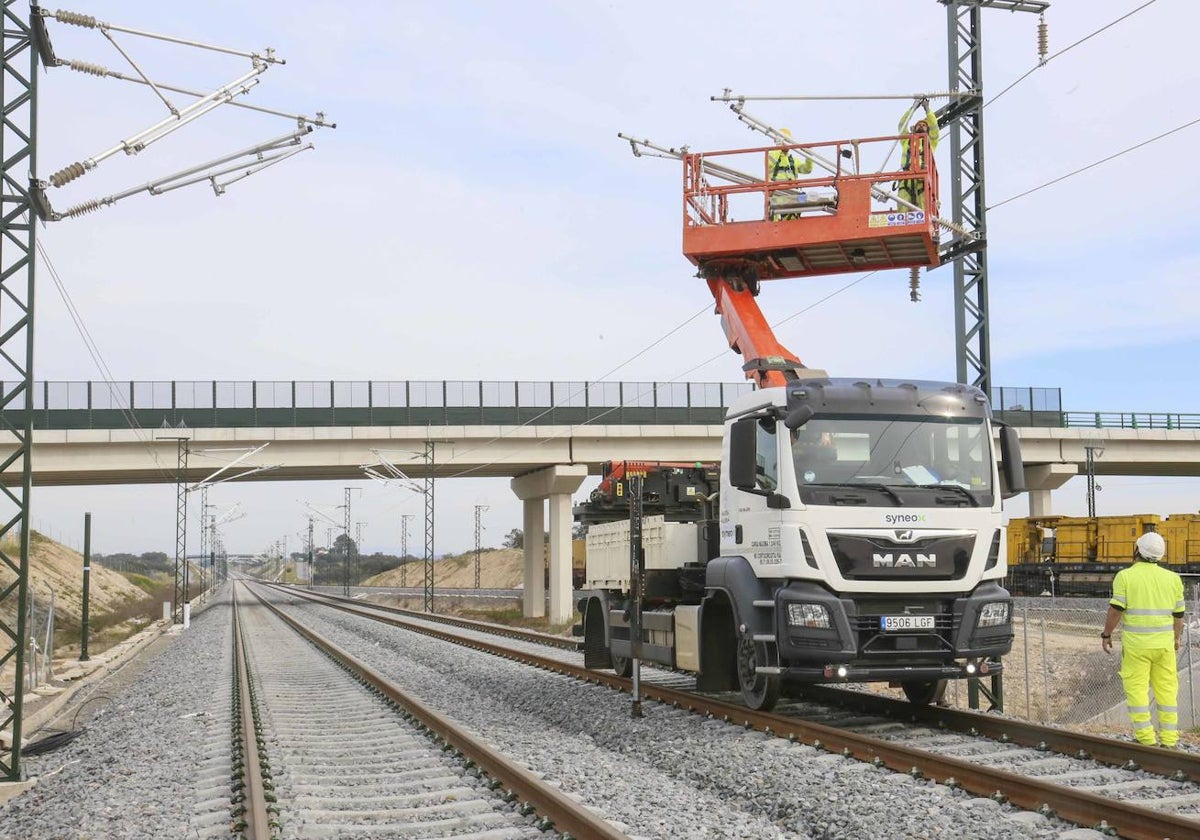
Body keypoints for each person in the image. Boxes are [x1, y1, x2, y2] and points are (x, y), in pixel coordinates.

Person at [1101, 532, 1186, 747]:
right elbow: (1179, 617)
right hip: (1165, 647)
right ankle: (1169, 740)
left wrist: (1107, 633)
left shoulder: (1126, 576)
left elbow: (1115, 610)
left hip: (1137, 647)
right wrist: (1176, 639)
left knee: (1137, 690)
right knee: (1167, 692)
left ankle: (1146, 739)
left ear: (1137, 550)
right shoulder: (1173, 579)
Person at [896, 98, 939, 211]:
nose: (921, 126)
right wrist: (912, 108)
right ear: (914, 129)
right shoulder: (906, 140)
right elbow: (902, 124)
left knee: (924, 209)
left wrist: (927, 109)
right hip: (906, 178)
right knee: (902, 207)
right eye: (918, 125)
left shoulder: (930, 142)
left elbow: (934, 127)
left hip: (922, 179)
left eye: (924, 125)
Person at [767, 127, 813, 221]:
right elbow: (770, 163)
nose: (787, 144)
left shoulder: (793, 160)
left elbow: (807, 170)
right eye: (785, 140)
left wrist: (809, 155)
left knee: (791, 224)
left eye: (788, 141)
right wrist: (778, 148)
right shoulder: (771, 154)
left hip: (792, 197)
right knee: (773, 223)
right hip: (776, 196)